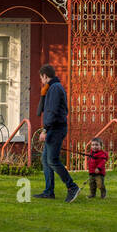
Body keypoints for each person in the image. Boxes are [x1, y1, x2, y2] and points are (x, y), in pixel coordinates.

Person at [35, 64, 80, 202]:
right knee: (45, 160)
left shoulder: (54, 88)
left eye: (41, 77)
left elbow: (52, 111)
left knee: (52, 160)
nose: (41, 80)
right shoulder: (52, 88)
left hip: (56, 129)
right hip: (55, 128)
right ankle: (49, 191)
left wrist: (45, 130)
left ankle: (72, 187)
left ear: (45, 76)